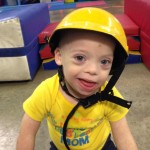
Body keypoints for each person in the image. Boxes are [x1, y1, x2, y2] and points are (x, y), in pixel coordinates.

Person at [16, 7, 138, 150]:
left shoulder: (107, 96)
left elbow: (124, 137)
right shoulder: (47, 92)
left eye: (104, 62)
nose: (93, 70)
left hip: (101, 146)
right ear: (59, 56)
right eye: (80, 58)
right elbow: (26, 134)